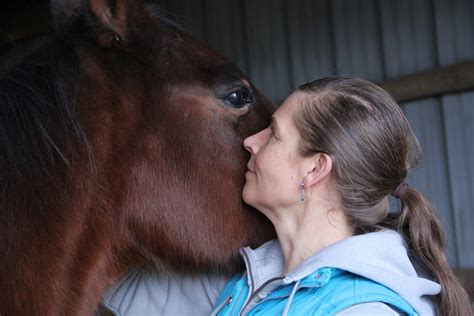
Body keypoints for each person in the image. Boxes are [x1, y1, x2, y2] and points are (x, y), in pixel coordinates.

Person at [211, 77, 472, 315]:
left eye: (274, 134)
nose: (251, 141)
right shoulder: (251, 278)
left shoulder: (363, 311)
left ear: (315, 168)